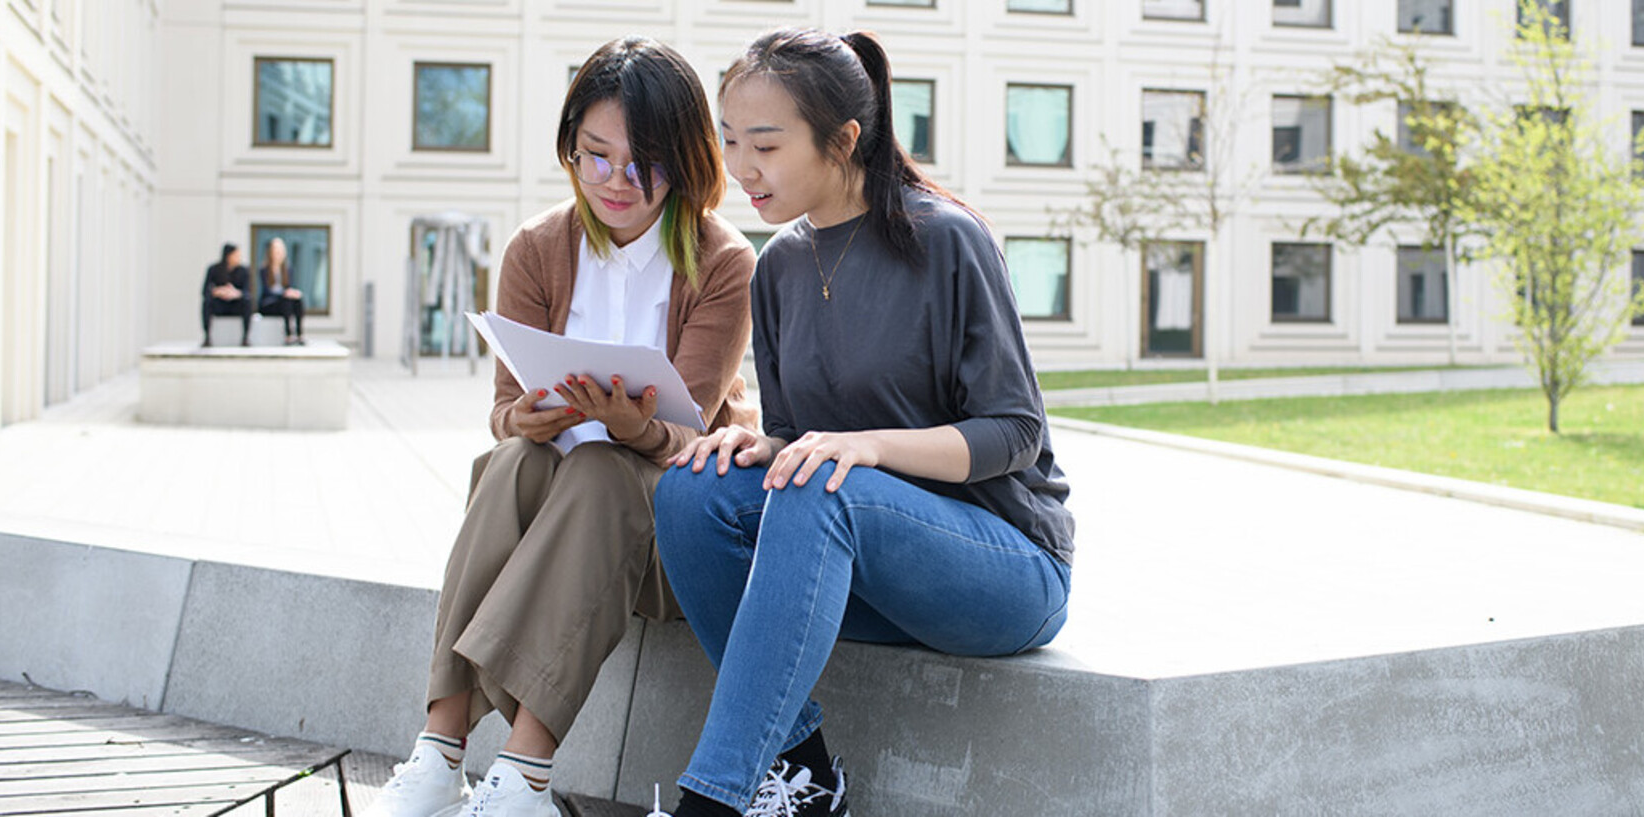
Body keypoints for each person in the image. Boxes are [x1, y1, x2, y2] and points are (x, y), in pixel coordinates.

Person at [651, 28, 1075, 817]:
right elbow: (801, 437)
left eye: (766, 145)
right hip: (861, 567)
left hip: (1004, 567)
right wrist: (758, 445)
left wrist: (867, 449)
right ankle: (803, 774)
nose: (742, 167)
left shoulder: (947, 239)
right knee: (691, 488)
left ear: (843, 138)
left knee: (827, 485)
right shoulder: (775, 265)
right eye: (731, 140)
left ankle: (709, 802)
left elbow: (1013, 431)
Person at [361, 36, 757, 817]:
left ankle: (522, 775)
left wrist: (631, 427)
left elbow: (690, 439)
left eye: (640, 161)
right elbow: (504, 407)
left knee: (604, 467)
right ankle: (441, 753)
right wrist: (531, 414)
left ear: (684, 160)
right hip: (550, 526)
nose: (613, 181)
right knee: (507, 461)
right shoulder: (538, 248)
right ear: (570, 149)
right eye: (593, 155)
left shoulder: (723, 262)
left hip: (663, 538)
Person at [258, 237, 307, 346]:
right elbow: (266, 291)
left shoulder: (287, 269)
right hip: (269, 303)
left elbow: (290, 287)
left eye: (280, 251)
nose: (278, 254)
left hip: (284, 303)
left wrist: (293, 293)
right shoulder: (264, 269)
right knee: (286, 300)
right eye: (276, 251)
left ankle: (299, 333)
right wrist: (283, 294)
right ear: (271, 252)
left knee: (298, 300)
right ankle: (288, 334)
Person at [201, 243, 252, 347]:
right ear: (228, 255)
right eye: (236, 255)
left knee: (247, 302)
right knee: (207, 302)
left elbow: (247, 291)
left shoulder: (244, 271)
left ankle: (245, 337)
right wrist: (218, 291)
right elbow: (205, 290)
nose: (239, 258)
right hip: (219, 304)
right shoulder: (214, 269)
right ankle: (207, 337)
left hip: (236, 304)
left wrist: (236, 293)